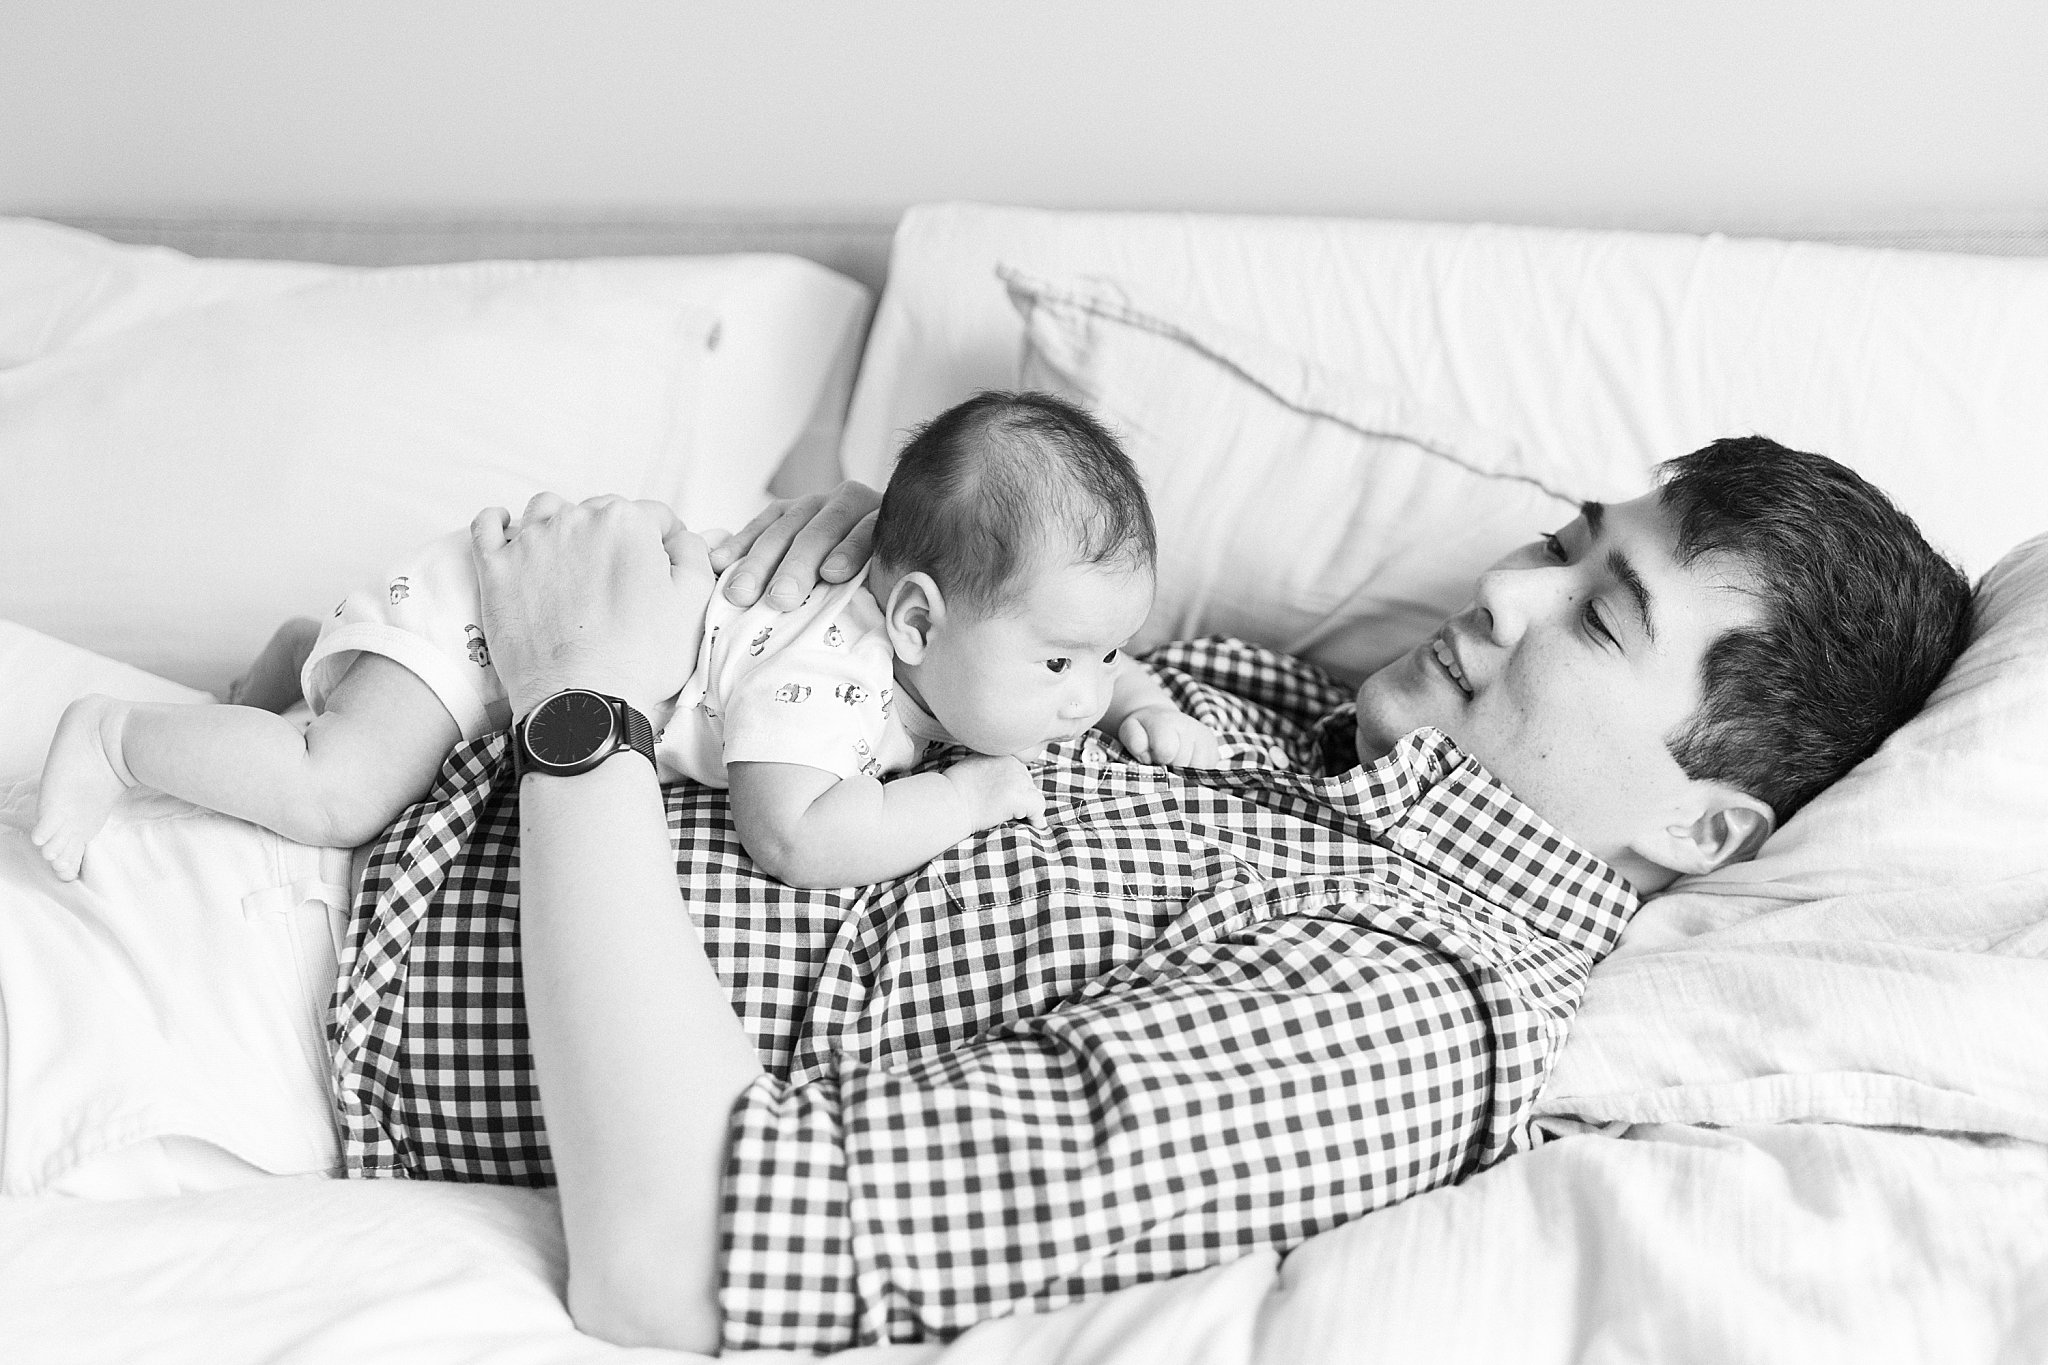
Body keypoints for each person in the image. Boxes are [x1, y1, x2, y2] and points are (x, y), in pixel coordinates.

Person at [332, 434, 1971, 1354]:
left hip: (311, 980)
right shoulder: (1269, 713)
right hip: (384, 709)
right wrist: (889, 568)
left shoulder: (1390, 1012)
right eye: (1556, 539)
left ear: (1706, 828)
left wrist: (583, 712)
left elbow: (681, 1254)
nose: (1504, 588)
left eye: (1597, 618)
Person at [31, 391, 1219, 889]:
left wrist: (1141, 707)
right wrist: (961, 805)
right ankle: (120, 738)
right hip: (490, 625)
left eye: (1108, 656)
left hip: (512, 616)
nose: (1082, 697)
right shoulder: (833, 681)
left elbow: (1088, 656)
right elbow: (794, 834)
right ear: (914, 622)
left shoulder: (971, 640)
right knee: (341, 791)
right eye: (1061, 667)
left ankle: (301, 659)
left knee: (340, 725)